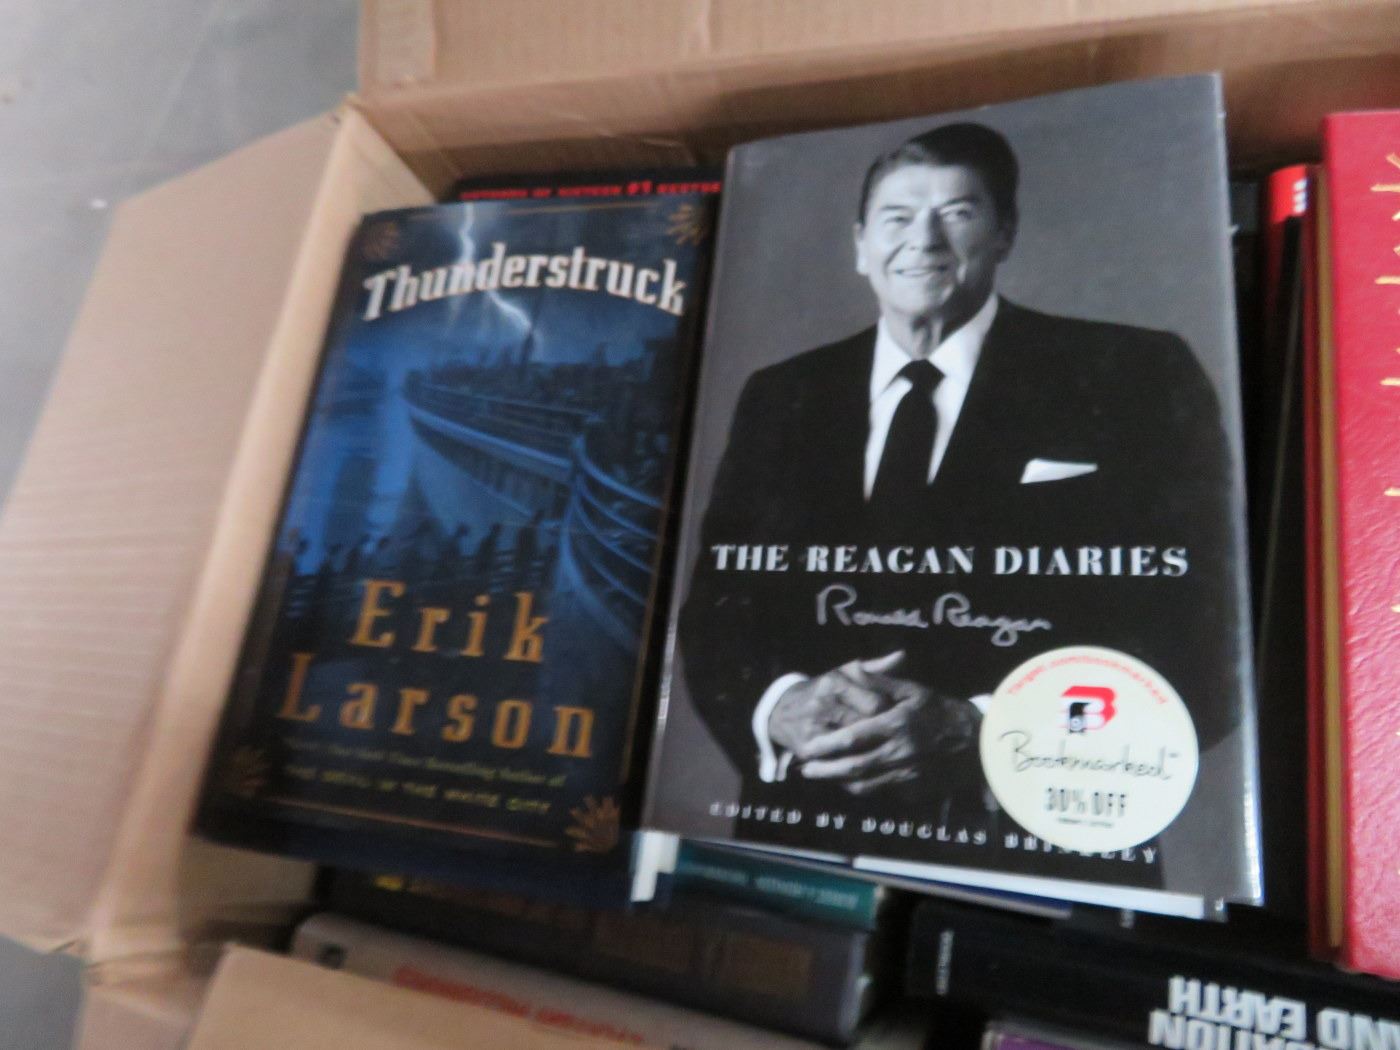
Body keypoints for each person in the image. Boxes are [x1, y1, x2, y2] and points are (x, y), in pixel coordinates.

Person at [678, 122, 1241, 849]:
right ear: (860, 245)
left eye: (957, 213)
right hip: (803, 833)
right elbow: (717, 613)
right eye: (897, 217)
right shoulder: (780, 394)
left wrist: (983, 728)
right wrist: (780, 706)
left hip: (1033, 845)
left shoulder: (1136, 374)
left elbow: (1206, 636)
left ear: (1005, 235)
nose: (924, 240)